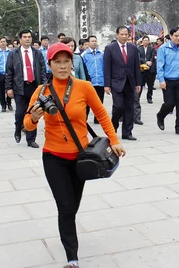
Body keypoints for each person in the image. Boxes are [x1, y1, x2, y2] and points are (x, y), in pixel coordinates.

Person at [24, 42, 125, 268]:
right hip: (53, 157)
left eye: (66, 61)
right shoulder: (41, 92)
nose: (62, 66)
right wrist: (34, 118)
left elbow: (102, 115)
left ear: (72, 63)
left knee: (73, 206)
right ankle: (72, 258)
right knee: (66, 207)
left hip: (80, 159)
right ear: (49, 65)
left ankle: (68, 232)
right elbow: (27, 127)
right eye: (57, 62)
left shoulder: (84, 86)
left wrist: (115, 141)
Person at [5, 29, 47, 148]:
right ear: (20, 39)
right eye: (25, 37)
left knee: (33, 112)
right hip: (20, 87)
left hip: (34, 86)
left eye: (29, 37)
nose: (27, 39)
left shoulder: (37, 53)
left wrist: (44, 86)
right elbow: (9, 72)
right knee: (20, 113)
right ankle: (18, 128)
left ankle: (31, 139)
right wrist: (8, 88)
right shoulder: (13, 54)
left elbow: (42, 70)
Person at [103, 26, 142, 141]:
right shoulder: (110, 48)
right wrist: (107, 84)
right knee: (118, 107)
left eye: (126, 34)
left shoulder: (133, 48)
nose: (124, 36)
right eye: (122, 34)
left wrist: (138, 83)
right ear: (117, 35)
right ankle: (113, 128)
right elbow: (107, 67)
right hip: (116, 82)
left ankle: (127, 132)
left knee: (130, 108)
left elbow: (136, 66)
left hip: (130, 82)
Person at [156, 27, 179, 136]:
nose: (178, 38)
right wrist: (161, 80)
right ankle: (161, 115)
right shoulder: (163, 49)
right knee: (169, 104)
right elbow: (160, 66)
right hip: (168, 80)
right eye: (176, 36)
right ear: (170, 36)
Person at [82, 35, 105, 123]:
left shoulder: (101, 53)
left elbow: (104, 67)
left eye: (95, 41)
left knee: (99, 102)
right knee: (87, 103)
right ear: (88, 43)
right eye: (92, 41)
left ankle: (97, 119)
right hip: (89, 83)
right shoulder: (84, 55)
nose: (94, 42)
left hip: (100, 82)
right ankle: (84, 119)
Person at [137, 36, 156, 104]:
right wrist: (145, 62)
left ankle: (149, 97)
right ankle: (137, 98)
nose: (146, 42)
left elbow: (153, 57)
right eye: (144, 40)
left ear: (149, 41)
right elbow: (138, 58)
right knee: (140, 84)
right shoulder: (139, 49)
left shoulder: (152, 48)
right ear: (142, 41)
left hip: (150, 69)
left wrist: (150, 62)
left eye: (147, 40)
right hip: (142, 69)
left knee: (150, 85)